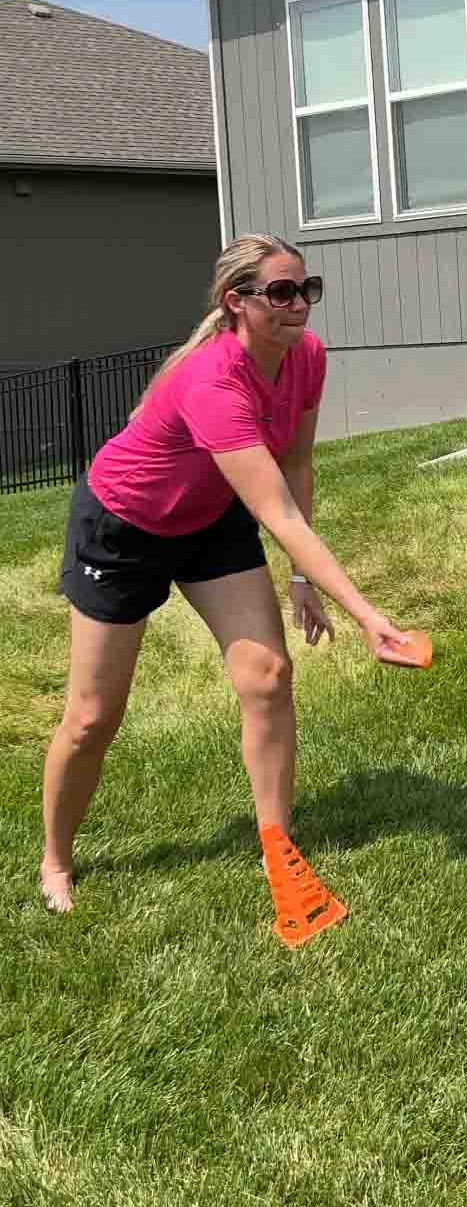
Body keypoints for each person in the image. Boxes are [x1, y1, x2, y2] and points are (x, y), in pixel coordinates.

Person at [40, 233, 412, 914]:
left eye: (306, 289)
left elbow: (296, 468)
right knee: (94, 716)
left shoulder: (306, 358)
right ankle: (56, 859)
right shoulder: (214, 381)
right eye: (280, 292)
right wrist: (369, 617)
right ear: (235, 301)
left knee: (267, 677)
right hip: (125, 527)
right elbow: (282, 519)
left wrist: (302, 583)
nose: (299, 304)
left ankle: (281, 852)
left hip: (211, 520)